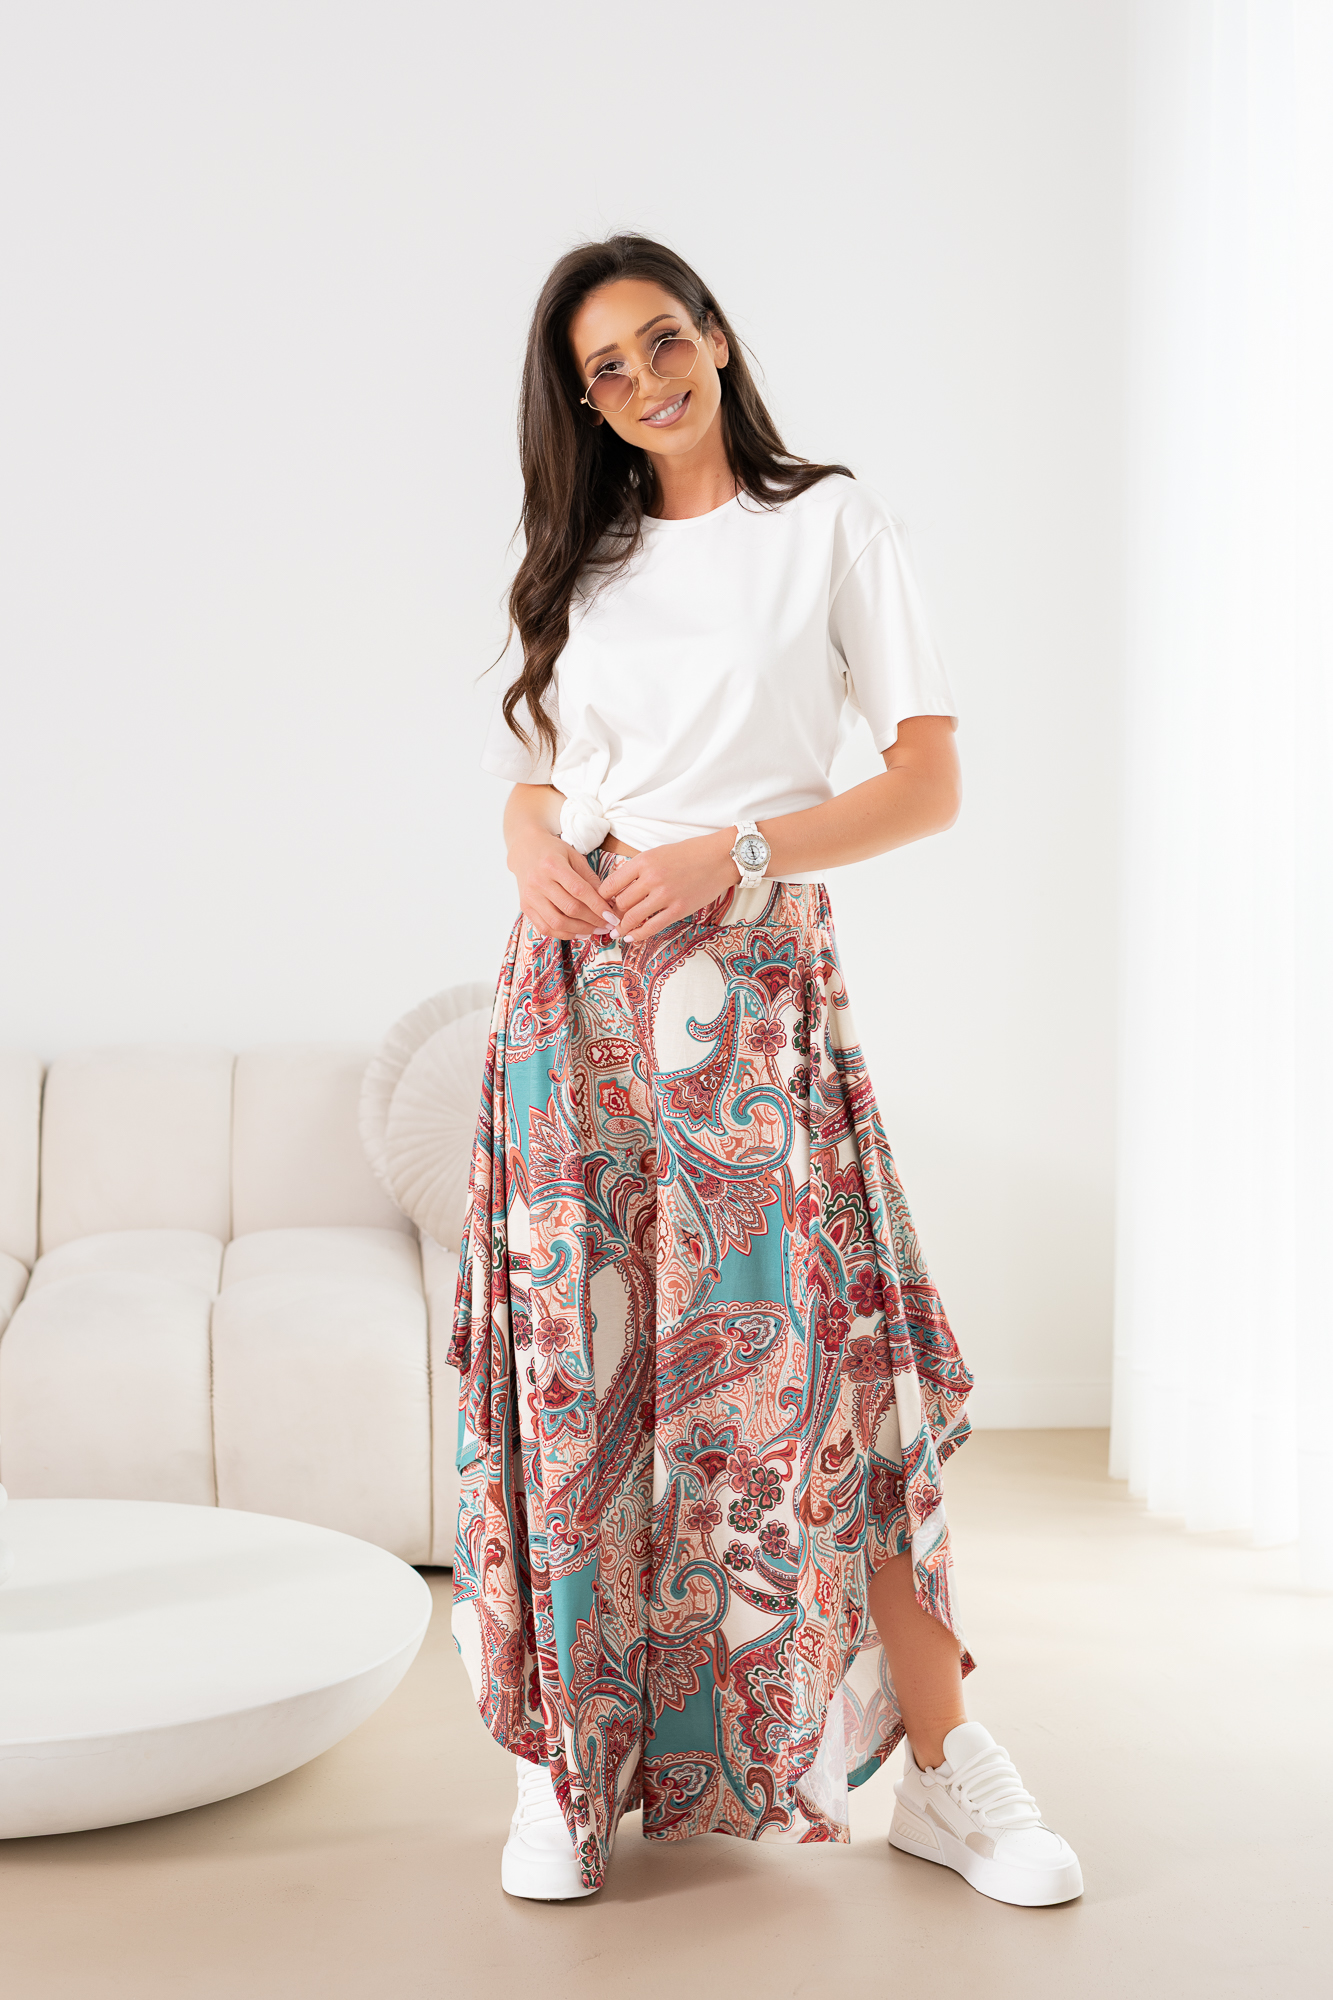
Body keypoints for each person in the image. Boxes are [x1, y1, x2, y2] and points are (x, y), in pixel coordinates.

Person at [448, 233, 1082, 1910]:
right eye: (604, 368)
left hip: (753, 992)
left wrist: (735, 851)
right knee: (576, 1384)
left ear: (716, 338)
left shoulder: (832, 526)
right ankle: (561, 1772)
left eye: (663, 339)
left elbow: (925, 784)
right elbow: (545, 775)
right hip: (571, 1007)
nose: (643, 379)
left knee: (829, 1375)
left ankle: (945, 1772)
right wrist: (525, 839)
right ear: (582, 402)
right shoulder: (579, 562)